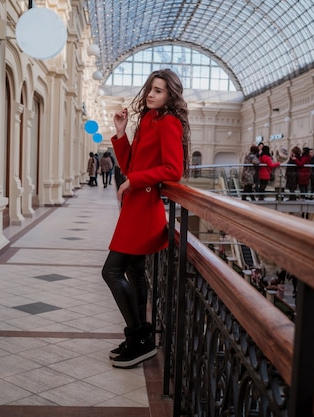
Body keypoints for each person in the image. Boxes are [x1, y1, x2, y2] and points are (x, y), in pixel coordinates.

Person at [102, 69, 190, 368]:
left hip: (144, 208)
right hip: (135, 205)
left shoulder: (169, 122)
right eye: (151, 88)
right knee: (135, 273)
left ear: (171, 96)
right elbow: (129, 165)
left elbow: (172, 170)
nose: (152, 94)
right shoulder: (148, 120)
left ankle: (138, 337)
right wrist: (120, 132)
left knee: (111, 272)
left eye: (160, 90)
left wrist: (135, 182)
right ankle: (142, 342)